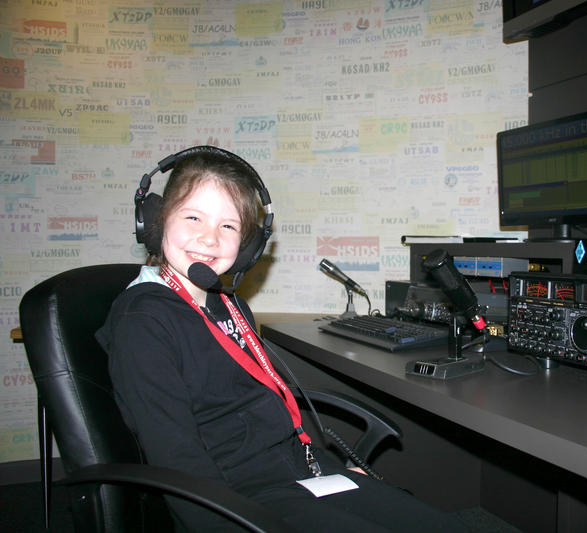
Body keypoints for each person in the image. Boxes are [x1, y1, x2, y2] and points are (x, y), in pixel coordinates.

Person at [96, 147, 468, 532]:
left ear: (248, 246)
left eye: (228, 226)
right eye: (193, 217)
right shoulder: (143, 322)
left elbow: (260, 408)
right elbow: (175, 457)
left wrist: (335, 471)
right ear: (156, 223)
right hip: (236, 495)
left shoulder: (229, 304)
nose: (208, 239)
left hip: (299, 469)